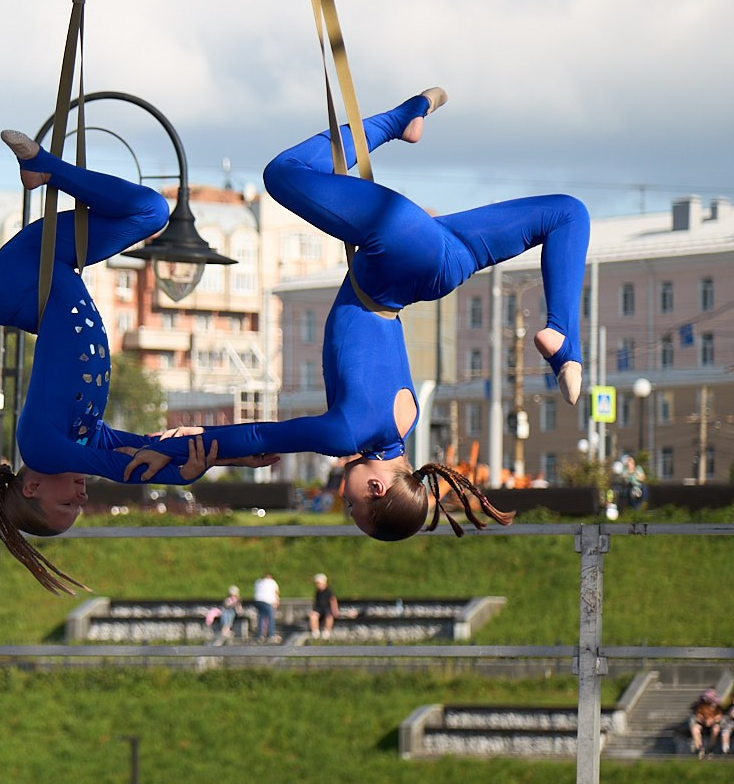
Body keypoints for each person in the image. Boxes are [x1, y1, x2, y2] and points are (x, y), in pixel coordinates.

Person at [0, 131, 276, 592]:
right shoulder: (85, 434)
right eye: (78, 508)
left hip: (12, 283)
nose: (82, 498)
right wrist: (231, 455)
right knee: (152, 210)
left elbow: (118, 469)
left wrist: (170, 473)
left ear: (32, 488)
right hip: (49, 268)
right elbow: (143, 445)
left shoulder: (43, 447)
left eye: (67, 506)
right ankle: (44, 167)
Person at [193, 91, 589, 542]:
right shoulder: (347, 434)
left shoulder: (408, 419)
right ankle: (399, 119)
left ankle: (565, 339)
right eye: (352, 502)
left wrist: (219, 451)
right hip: (396, 256)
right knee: (283, 174)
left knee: (566, 213)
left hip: (439, 268)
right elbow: (263, 437)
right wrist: (201, 443)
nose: (344, 494)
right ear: (377, 488)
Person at [687, 689, 723, 757]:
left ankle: (710, 748)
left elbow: (719, 716)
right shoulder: (701, 705)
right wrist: (704, 721)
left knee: (716, 729)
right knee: (695, 729)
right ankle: (699, 748)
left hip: (713, 724)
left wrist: (712, 720)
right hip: (702, 723)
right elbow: (698, 716)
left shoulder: (718, 706)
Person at [252, 572, 281, 641]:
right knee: (270, 617)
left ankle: (260, 635)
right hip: (267, 601)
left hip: (258, 601)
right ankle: (271, 634)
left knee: (261, 617)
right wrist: (277, 601)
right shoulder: (272, 582)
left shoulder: (258, 582)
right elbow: (276, 592)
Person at [308, 573, 338, 639]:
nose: (317, 585)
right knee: (313, 616)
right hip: (319, 608)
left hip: (327, 608)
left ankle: (327, 631)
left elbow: (333, 600)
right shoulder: (318, 592)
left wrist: (335, 610)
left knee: (329, 617)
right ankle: (315, 632)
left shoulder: (329, 591)